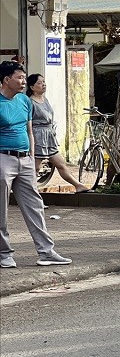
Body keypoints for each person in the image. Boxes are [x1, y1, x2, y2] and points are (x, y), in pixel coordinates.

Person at [1, 61, 72, 269]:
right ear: (6, 80)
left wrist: (31, 159)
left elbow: (29, 132)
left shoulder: (24, 101)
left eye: (24, 77)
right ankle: (4, 253)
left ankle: (46, 252)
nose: (24, 81)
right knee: (1, 211)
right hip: (3, 158)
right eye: (19, 77)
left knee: (35, 206)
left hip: (25, 159)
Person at [25, 73, 92, 193]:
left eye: (44, 82)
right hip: (38, 136)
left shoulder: (45, 99)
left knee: (61, 164)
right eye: (39, 83)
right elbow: (28, 123)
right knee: (35, 168)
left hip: (49, 136)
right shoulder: (30, 102)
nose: (43, 85)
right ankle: (32, 197)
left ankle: (78, 186)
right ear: (32, 87)